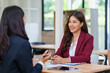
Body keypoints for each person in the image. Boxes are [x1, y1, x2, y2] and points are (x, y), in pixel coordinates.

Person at [0, 6, 51, 73]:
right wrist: (41, 62)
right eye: (24, 17)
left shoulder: (3, 41)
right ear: (19, 20)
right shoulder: (22, 44)